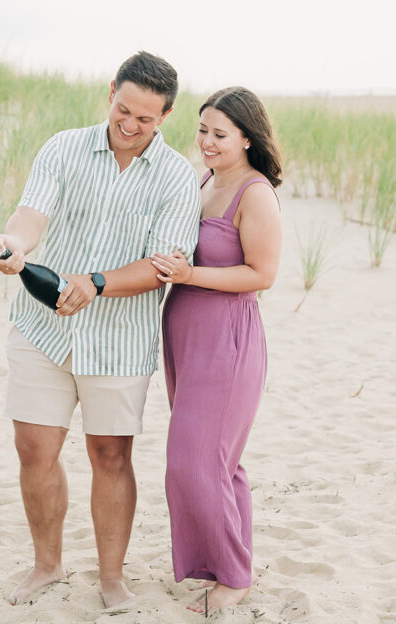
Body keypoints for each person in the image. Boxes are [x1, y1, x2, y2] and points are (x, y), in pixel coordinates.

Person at [0, 51, 200, 610]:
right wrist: (16, 245)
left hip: (120, 339)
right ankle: (47, 566)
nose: (130, 126)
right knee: (33, 447)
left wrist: (97, 282)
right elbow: (32, 213)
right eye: (123, 110)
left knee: (110, 456)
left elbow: (163, 265)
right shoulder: (63, 146)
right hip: (43, 329)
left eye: (145, 119)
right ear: (110, 92)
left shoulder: (177, 176)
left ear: (166, 116)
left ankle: (111, 578)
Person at [151, 86, 282, 615]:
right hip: (185, 335)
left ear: (247, 137)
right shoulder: (203, 180)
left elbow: (263, 275)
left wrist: (189, 274)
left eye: (220, 134)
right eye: (202, 130)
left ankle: (233, 576)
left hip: (227, 339)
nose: (207, 141)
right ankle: (236, 562)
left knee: (193, 461)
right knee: (220, 463)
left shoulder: (255, 193)